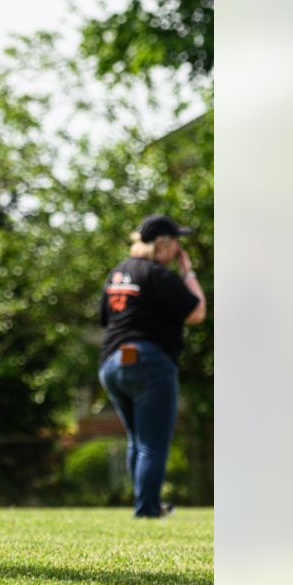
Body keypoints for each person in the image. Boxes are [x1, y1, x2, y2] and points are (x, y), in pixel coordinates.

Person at [98, 214, 207, 519]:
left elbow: (105, 319)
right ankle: (146, 509)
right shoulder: (159, 275)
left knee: (138, 440)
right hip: (149, 362)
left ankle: (146, 504)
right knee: (153, 444)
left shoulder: (118, 273)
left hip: (111, 363)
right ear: (164, 243)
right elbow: (197, 312)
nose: (179, 250)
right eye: (177, 243)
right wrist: (188, 273)